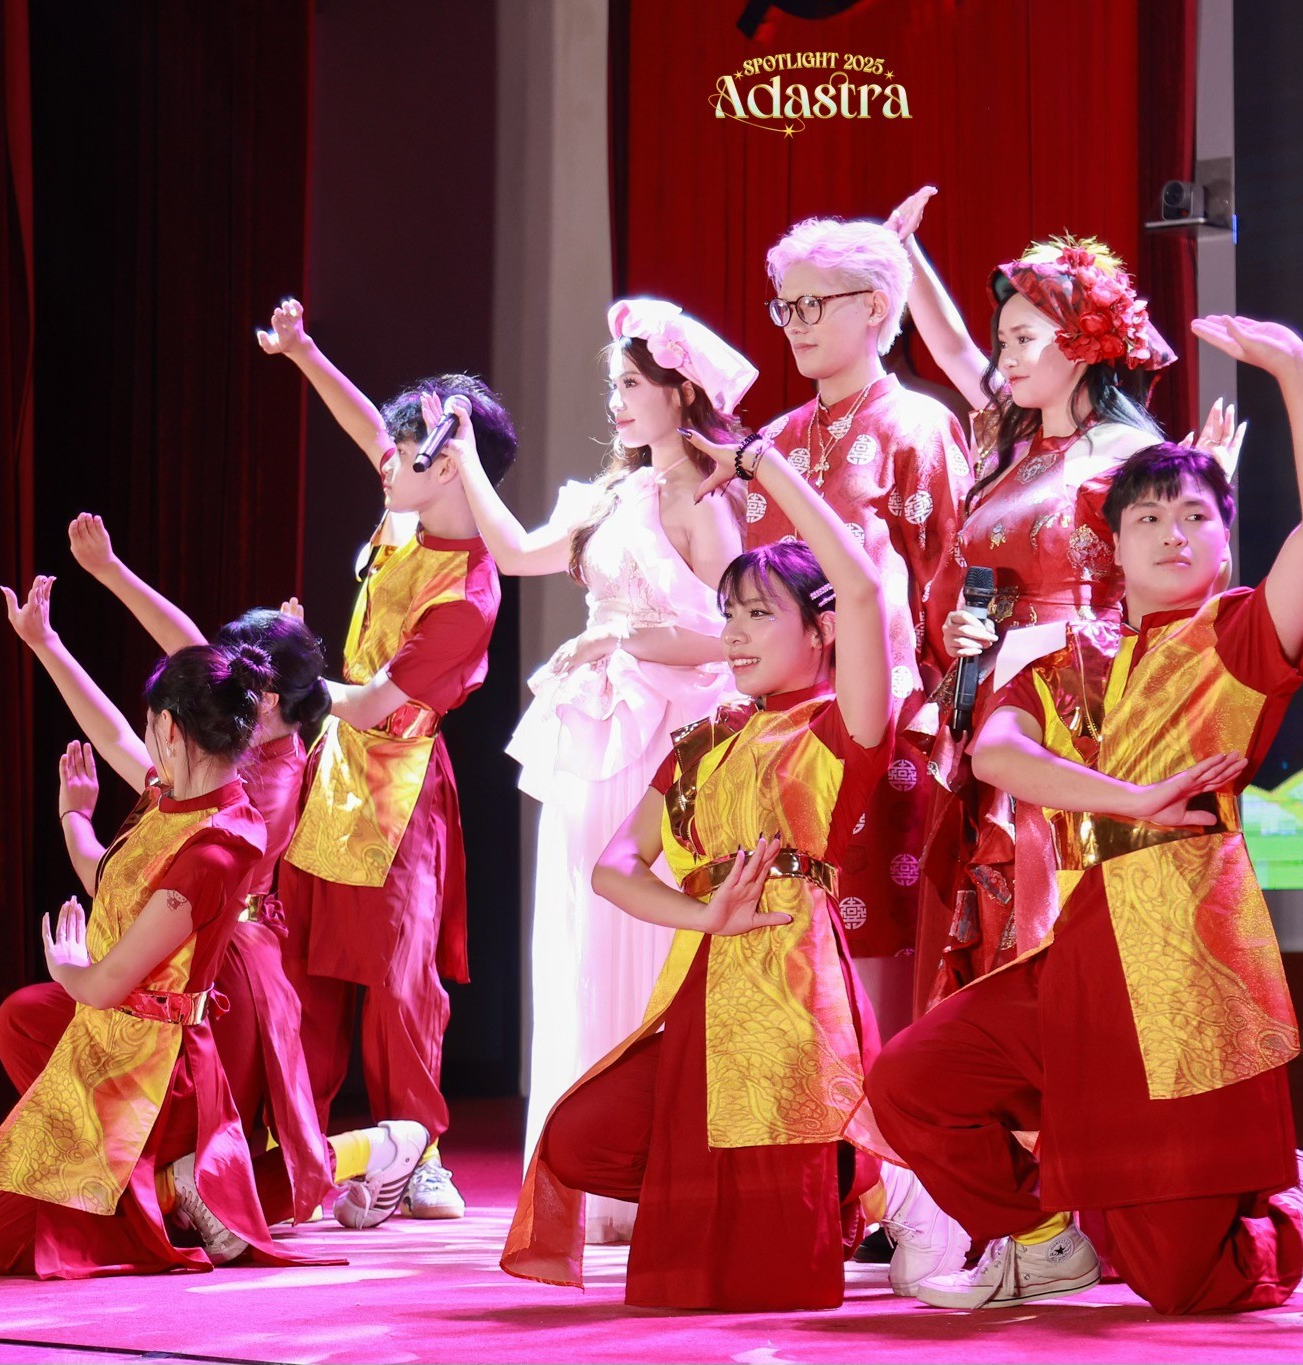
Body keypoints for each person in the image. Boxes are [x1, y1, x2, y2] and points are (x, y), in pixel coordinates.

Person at [868, 314, 1303, 1313]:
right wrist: (1129, 798)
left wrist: (1296, 367)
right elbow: (998, 752)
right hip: (1084, 952)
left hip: (1188, 953)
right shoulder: (1068, 658)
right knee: (908, 1082)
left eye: (1195, 517)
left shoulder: (1237, 634)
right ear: (1113, 547)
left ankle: (1275, 1204)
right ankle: (1041, 1239)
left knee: (1183, 1282)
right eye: (1148, 519)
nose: (1173, 534)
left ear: (1224, 537)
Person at [502, 412, 961, 1310]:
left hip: (795, 985)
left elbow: (863, 588)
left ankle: (889, 1187)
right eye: (729, 614)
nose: (737, 633)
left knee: (761, 1266)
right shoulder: (706, 736)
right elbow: (614, 866)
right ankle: (872, 1179)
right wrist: (702, 913)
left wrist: (757, 463)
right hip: (705, 979)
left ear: (819, 630)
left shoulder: (841, 727)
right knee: (579, 1134)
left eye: (760, 613)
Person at [889, 186, 1245, 1001]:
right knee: (988, 917)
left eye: (1024, 339)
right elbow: (950, 347)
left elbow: (1178, 584)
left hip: (1081, 704)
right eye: (1003, 342)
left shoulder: (1132, 455)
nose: (1006, 358)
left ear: (1082, 343)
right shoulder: (1009, 447)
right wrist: (963, 625)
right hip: (989, 696)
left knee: (1057, 905)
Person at [459, 298, 748, 1244]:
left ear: (681, 391)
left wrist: (627, 637)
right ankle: (592, 1166)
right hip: (597, 722)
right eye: (613, 386)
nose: (617, 401)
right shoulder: (607, 497)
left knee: (649, 928)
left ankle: (659, 1160)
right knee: (584, 931)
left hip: (672, 726)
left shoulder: (706, 498)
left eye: (632, 383)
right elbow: (513, 552)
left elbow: (736, 632)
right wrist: (464, 453)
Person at [0, 529, 338, 1228]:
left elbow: (129, 738)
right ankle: (146, 1178)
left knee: (52, 1031)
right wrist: (59, 628)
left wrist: (102, 579)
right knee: (35, 1024)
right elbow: (130, 729)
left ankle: (158, 1183)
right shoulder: (235, 748)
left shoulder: (241, 786)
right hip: (199, 954)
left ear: (266, 698)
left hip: (219, 973)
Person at [260, 299, 515, 1221]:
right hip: (332, 773)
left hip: (400, 783)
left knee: (402, 981)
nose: (385, 454)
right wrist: (304, 352)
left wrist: (288, 677)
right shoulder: (408, 514)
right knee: (304, 966)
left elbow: (373, 704)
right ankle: (290, 1144)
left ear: (448, 465)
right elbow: (367, 424)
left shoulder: (469, 592)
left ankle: (417, 1150)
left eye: (406, 445)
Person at [0, 635, 281, 1276]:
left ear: (169, 729)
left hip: (159, 1066)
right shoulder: (171, 796)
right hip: (115, 1033)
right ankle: (130, 1178)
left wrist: (65, 965)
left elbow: (104, 985)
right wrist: (44, 641)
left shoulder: (214, 849)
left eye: (150, 726)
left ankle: (165, 1183)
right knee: (20, 1026)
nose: (142, 739)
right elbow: (110, 748)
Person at [741, 215, 973, 1032]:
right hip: (780, 742)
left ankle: (882, 1119)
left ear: (876, 306)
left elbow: (950, 588)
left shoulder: (919, 428)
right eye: (786, 306)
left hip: (887, 736)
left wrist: (947, 725)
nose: (795, 324)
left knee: (878, 984)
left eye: (814, 304)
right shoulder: (773, 443)